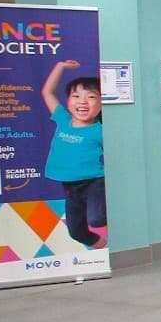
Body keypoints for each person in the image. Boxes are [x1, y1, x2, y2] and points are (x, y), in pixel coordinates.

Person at [41, 59, 106, 250]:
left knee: (97, 219)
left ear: (102, 103)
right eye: (76, 96)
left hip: (94, 183)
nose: (83, 102)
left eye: (92, 97)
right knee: (76, 232)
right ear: (68, 102)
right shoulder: (63, 119)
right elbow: (47, 92)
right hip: (71, 187)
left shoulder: (100, 130)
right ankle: (105, 250)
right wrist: (60, 67)